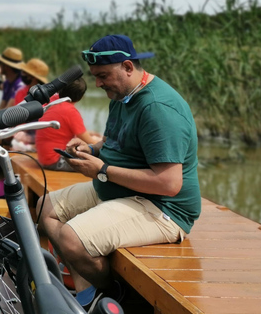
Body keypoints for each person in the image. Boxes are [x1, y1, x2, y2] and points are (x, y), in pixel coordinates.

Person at [36, 35, 201, 310]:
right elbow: (117, 142)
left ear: (127, 67)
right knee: (45, 208)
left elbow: (169, 183)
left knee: (71, 239)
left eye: (102, 76)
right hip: (124, 190)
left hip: (161, 206)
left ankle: (114, 294)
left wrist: (102, 169)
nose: (98, 84)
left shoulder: (157, 109)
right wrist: (93, 149)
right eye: (95, 76)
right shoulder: (123, 94)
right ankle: (88, 293)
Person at [35, 76, 101, 172]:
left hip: (44, 157)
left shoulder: (53, 101)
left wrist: (89, 133)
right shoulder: (70, 111)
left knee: (94, 140)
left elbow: (62, 130)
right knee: (101, 159)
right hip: (56, 161)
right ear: (81, 96)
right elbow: (89, 141)